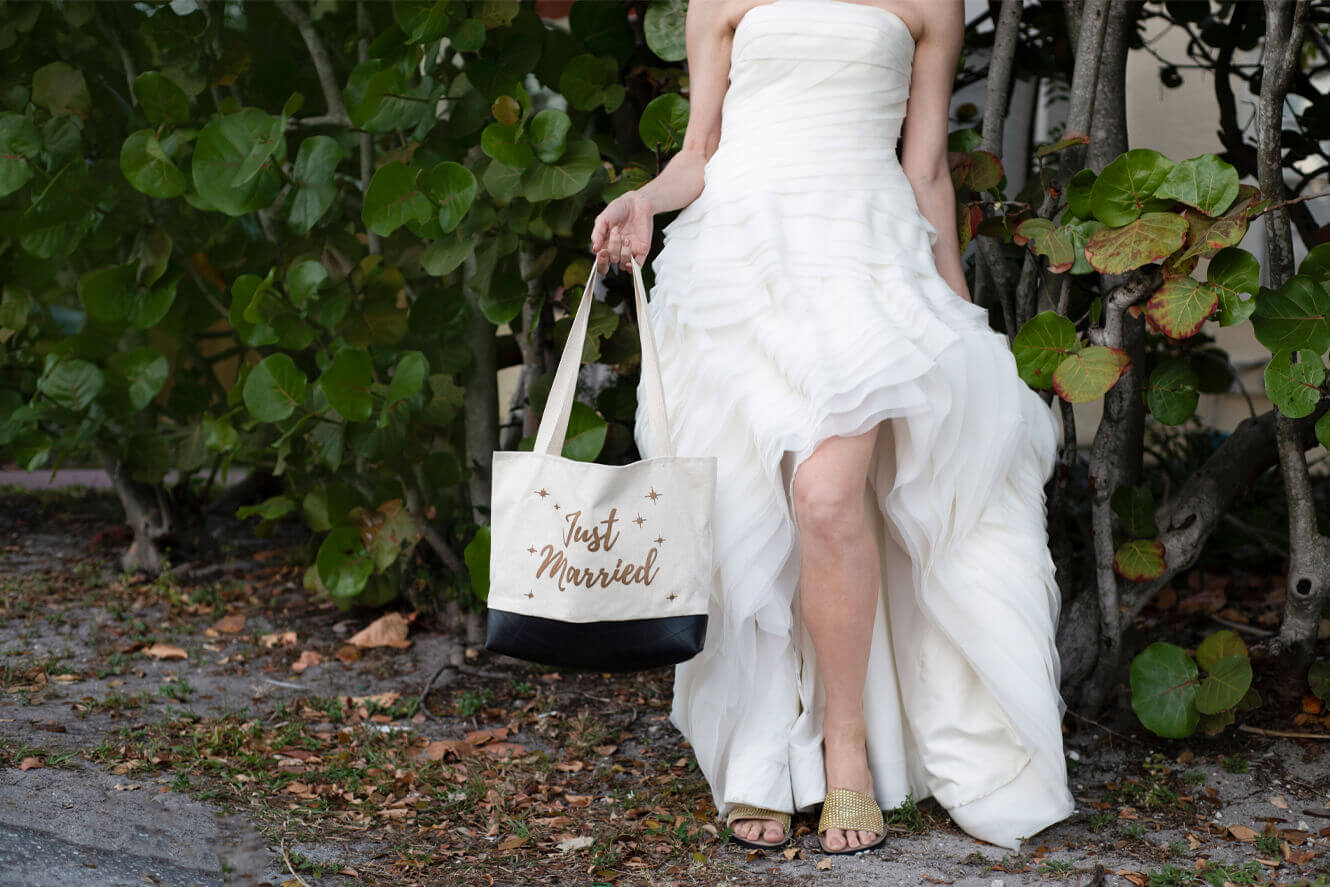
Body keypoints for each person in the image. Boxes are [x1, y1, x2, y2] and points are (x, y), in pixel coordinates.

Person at [589, 0, 1075, 856]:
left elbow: (925, 169)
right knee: (748, 505)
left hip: (863, 252)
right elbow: (700, 149)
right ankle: (766, 748)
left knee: (824, 496)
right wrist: (645, 199)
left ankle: (844, 745)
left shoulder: (932, 2)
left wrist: (956, 311)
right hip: (738, 252)